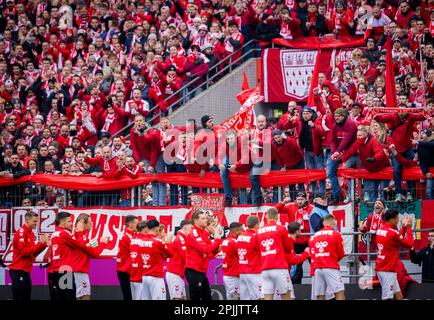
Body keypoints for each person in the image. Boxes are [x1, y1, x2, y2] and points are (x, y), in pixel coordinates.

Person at [374, 105, 425, 201]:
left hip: (408, 148)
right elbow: (380, 118)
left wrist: (423, 110)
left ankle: (410, 193)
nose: (401, 112)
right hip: (396, 149)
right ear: (397, 111)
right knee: (396, 170)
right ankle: (398, 193)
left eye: (404, 111)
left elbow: (422, 117)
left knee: (411, 169)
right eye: (400, 111)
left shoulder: (410, 116)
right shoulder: (392, 116)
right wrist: (374, 111)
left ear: (407, 111)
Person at [49, 212, 103, 301]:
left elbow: (85, 246)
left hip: (58, 270)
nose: (71, 223)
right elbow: (83, 246)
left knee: (64, 297)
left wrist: (94, 243)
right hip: (68, 270)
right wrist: (101, 244)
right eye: (69, 221)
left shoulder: (56, 234)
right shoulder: (66, 234)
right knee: (72, 297)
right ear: (62, 222)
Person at [339, 125, 389, 202]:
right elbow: (349, 152)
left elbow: (380, 152)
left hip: (381, 167)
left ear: (365, 135)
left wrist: (374, 158)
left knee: (382, 190)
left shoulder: (373, 141)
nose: (358, 137)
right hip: (370, 168)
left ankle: (382, 207)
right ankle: (371, 207)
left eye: (360, 135)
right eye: (357, 135)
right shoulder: (357, 143)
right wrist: (341, 159)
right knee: (372, 189)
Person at [8, 211, 48, 301]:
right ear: (27, 220)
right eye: (34, 221)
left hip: (25, 271)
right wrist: (39, 244)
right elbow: (24, 252)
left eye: (37, 221)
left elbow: (32, 254)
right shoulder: (21, 233)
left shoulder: (30, 233)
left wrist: (43, 245)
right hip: (18, 270)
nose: (36, 223)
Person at [375, 209, 414, 300]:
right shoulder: (392, 233)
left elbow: (396, 238)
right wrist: (408, 228)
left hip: (381, 267)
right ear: (392, 219)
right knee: (387, 297)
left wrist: (403, 228)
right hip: (388, 270)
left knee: (399, 296)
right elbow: (409, 244)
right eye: (397, 218)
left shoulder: (381, 229)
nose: (398, 221)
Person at [275, 191, 313, 283]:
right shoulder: (291, 206)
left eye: (302, 199)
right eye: (298, 199)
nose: (300, 201)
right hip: (296, 242)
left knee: (314, 264)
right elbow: (275, 210)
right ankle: (296, 288)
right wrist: (283, 202)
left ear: (306, 199)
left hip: (308, 241)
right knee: (296, 268)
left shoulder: (312, 208)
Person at [257, 208, 294, 300]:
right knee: (285, 296)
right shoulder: (281, 228)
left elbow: (257, 249)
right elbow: (289, 248)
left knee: (267, 297)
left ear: (266, 216)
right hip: (279, 267)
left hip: (265, 268)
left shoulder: (259, 231)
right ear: (277, 216)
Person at [185, 210, 222, 300]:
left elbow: (212, 252)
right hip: (194, 270)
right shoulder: (194, 233)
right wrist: (217, 239)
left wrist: (218, 243)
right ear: (195, 221)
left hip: (201, 271)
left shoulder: (203, 234)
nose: (206, 220)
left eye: (206, 218)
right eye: (203, 218)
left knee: (207, 297)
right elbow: (206, 250)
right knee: (196, 298)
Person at [309, 214, 346, 300]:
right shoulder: (336, 234)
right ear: (333, 222)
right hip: (331, 267)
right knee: (339, 293)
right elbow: (341, 253)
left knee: (320, 295)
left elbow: (312, 254)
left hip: (317, 269)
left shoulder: (314, 236)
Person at [72, 214, 108, 300]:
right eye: (90, 223)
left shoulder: (81, 236)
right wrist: (103, 243)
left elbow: (90, 250)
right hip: (79, 271)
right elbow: (95, 254)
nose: (92, 224)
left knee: (81, 296)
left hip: (77, 271)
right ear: (82, 223)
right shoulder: (80, 237)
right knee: (85, 296)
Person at [327, 108, 357, 205]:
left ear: (344, 116)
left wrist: (338, 151)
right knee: (330, 172)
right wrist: (334, 152)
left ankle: (354, 196)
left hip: (351, 152)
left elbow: (346, 140)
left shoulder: (351, 124)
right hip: (338, 152)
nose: (337, 118)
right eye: (335, 116)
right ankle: (337, 195)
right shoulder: (335, 126)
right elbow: (333, 141)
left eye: (339, 116)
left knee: (350, 174)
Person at [141, 219, 172, 300]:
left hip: (142, 276)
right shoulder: (158, 242)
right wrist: (168, 243)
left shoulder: (140, 241)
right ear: (157, 228)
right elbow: (170, 254)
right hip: (155, 276)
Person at [166, 220, 193, 300]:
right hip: (174, 273)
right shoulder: (180, 239)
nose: (192, 230)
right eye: (191, 228)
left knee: (183, 298)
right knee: (177, 298)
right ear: (185, 227)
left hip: (178, 273)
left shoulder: (183, 238)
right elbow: (185, 256)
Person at [237, 215, 262, 300]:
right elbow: (262, 251)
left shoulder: (240, 236)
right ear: (256, 225)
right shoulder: (255, 236)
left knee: (245, 298)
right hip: (254, 272)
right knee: (259, 297)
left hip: (242, 272)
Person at [116, 215, 138, 301]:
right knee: (129, 297)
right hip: (124, 271)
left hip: (129, 271)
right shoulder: (126, 237)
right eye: (137, 223)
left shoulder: (132, 236)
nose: (138, 225)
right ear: (131, 225)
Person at [221, 222, 243, 300]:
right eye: (242, 229)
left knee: (232, 297)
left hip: (229, 273)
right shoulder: (234, 242)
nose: (243, 231)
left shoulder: (226, 240)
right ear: (237, 231)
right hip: (233, 274)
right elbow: (242, 256)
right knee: (235, 298)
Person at [129, 220, 148, 300]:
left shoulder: (133, 238)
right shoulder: (145, 241)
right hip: (141, 278)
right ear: (145, 230)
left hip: (133, 277)